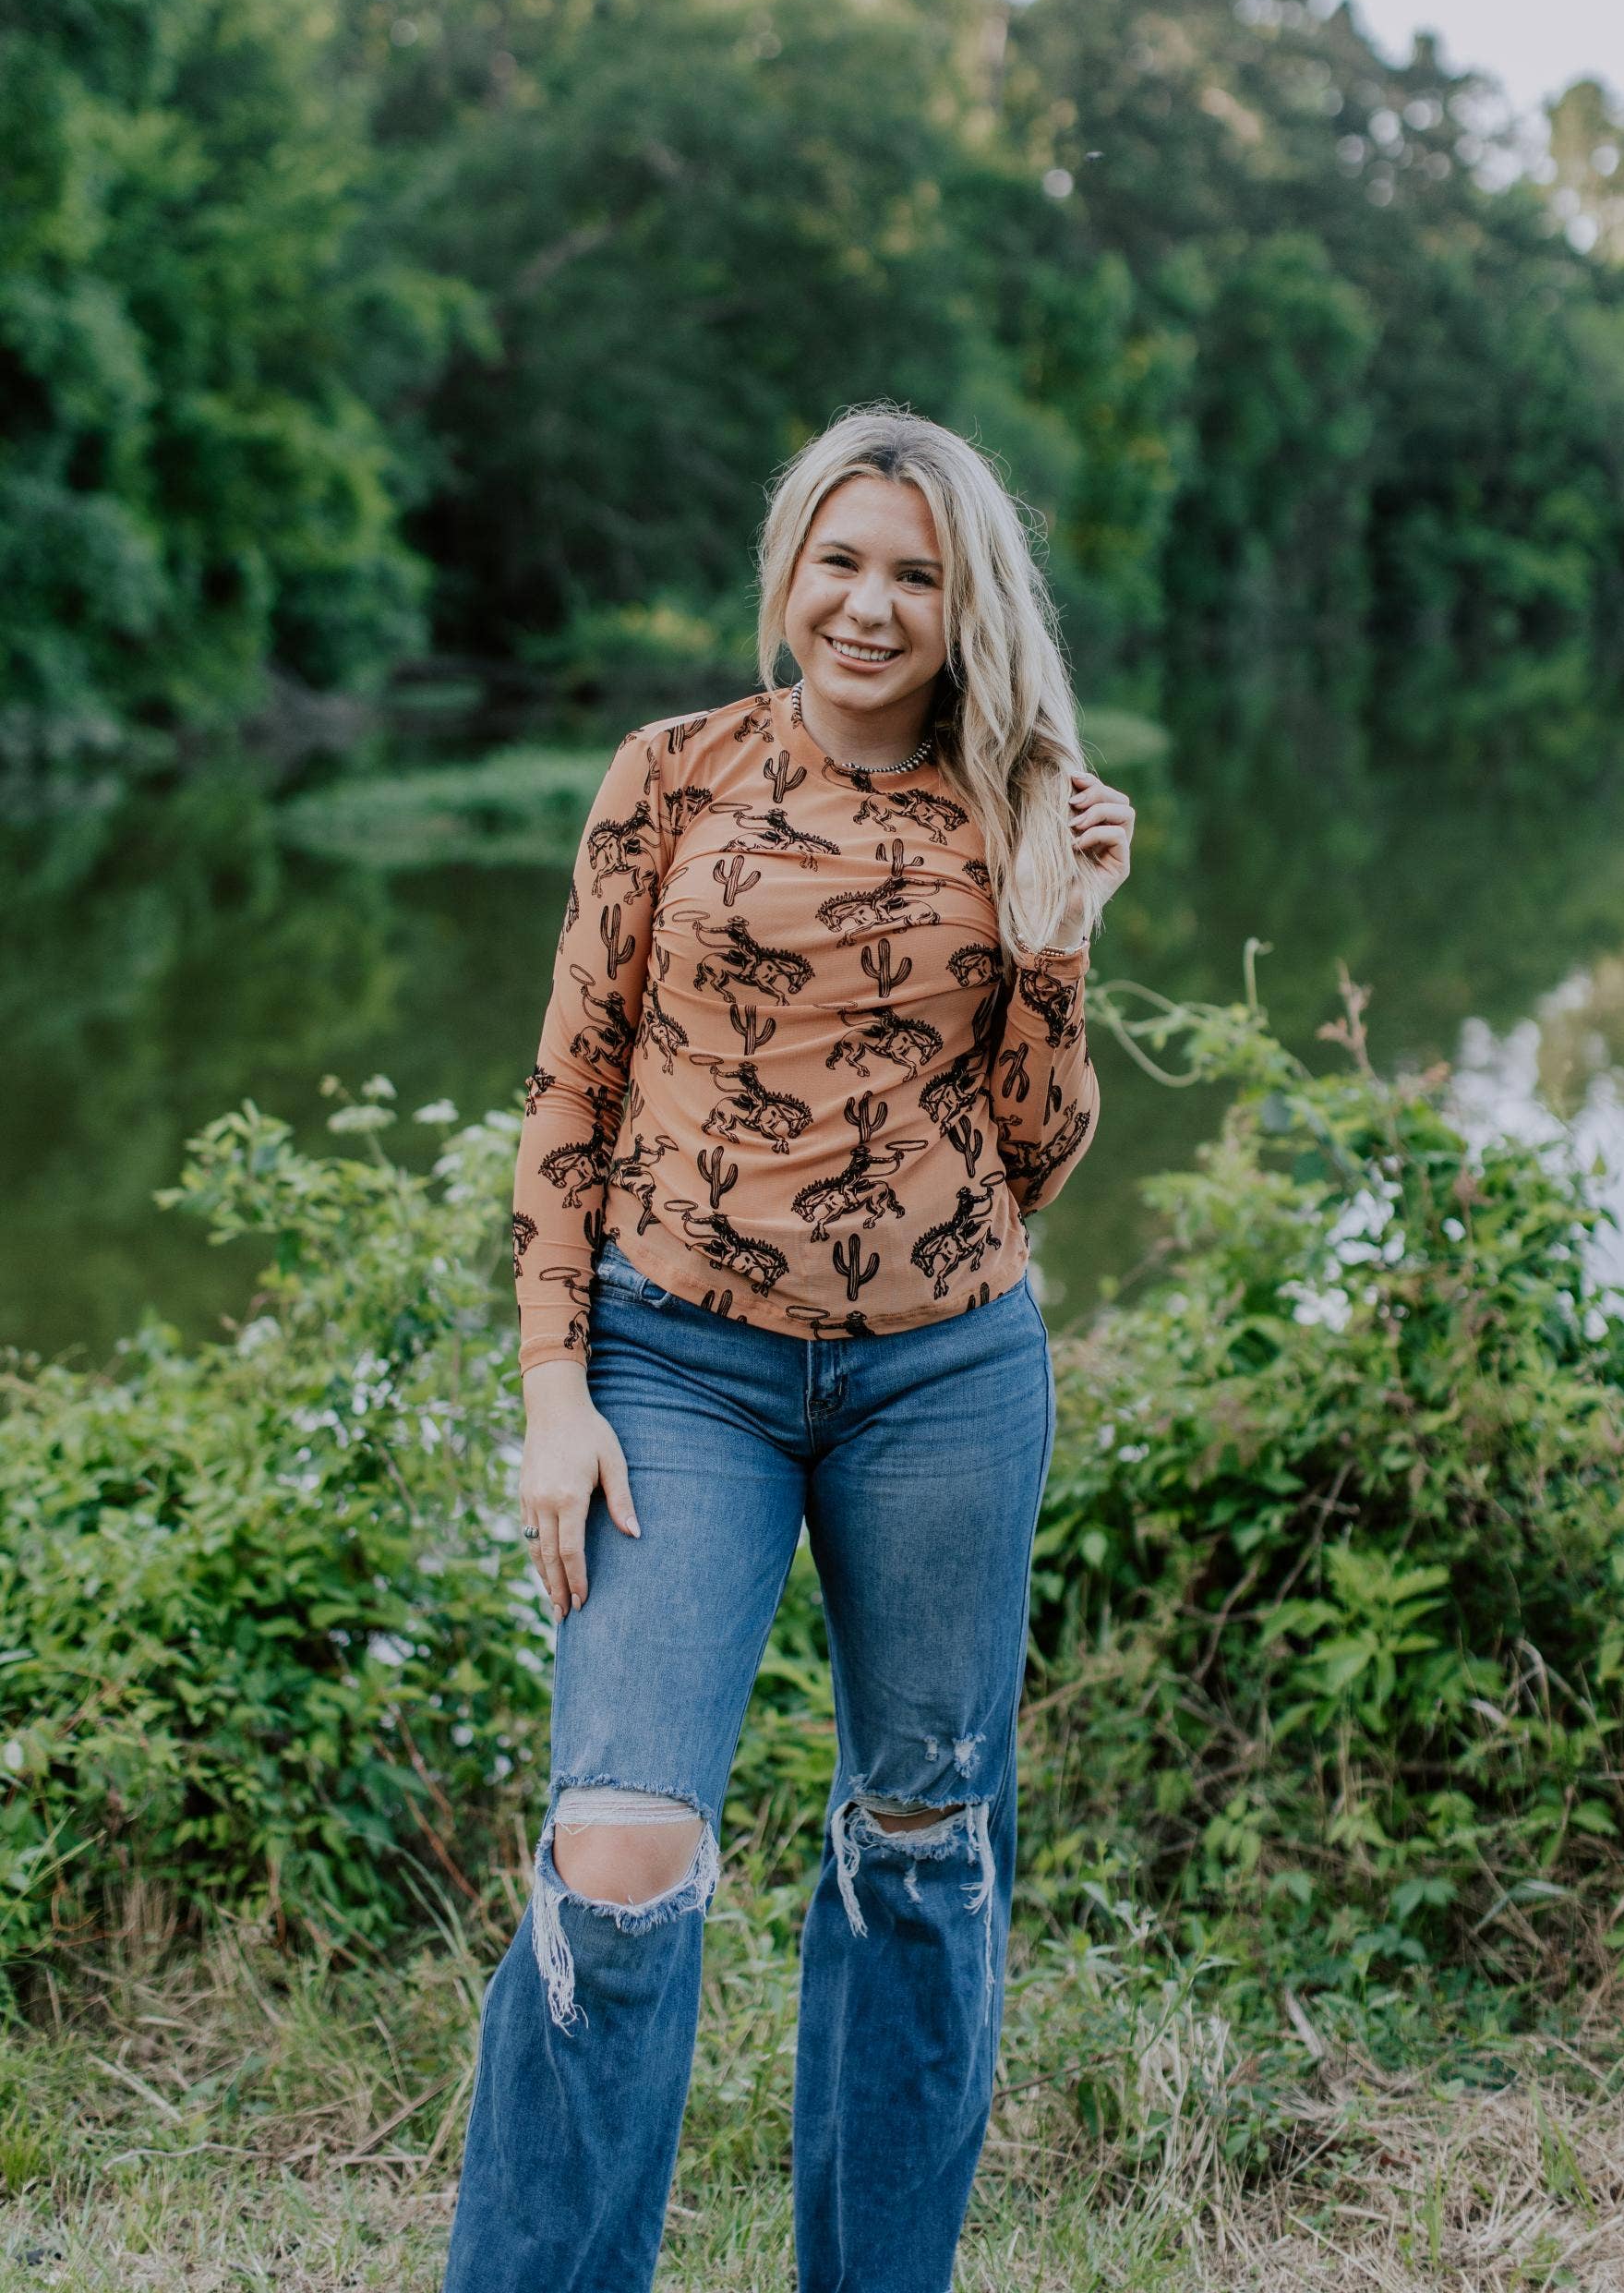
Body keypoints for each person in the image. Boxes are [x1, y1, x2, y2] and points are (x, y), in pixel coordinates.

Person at [443, 403, 1137, 2293]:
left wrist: (1059, 938)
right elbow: (568, 1091)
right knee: (620, 1853)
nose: (871, 604)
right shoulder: (669, 775)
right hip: (677, 1368)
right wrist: (555, 1389)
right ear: (787, 569)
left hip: (945, 1378)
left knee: (923, 1848)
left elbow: (1037, 1154)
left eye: (918, 572)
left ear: (967, 602)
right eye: (842, 559)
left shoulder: (1019, 801)